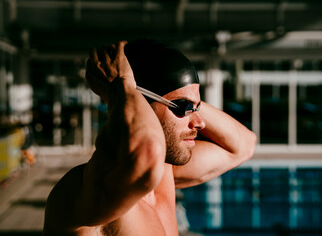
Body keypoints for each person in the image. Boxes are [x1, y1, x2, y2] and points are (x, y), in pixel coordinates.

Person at [43, 39, 257, 235]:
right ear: (140, 102)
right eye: (183, 108)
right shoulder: (84, 191)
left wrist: (187, 100)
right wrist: (123, 86)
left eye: (197, 108)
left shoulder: (166, 174)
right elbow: (146, 154)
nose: (200, 122)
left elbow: (243, 145)